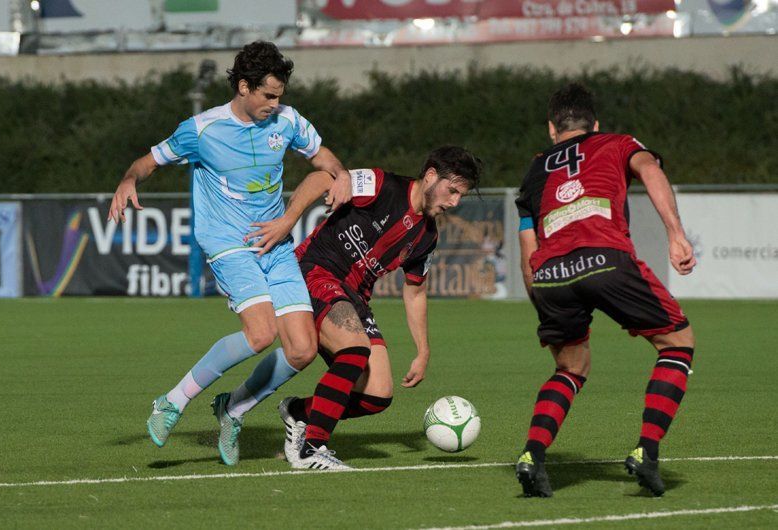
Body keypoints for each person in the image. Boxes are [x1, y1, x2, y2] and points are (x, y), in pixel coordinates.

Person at [107, 41, 352, 466]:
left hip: (275, 243)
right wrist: (129, 181)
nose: (276, 105)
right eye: (268, 96)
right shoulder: (201, 130)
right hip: (227, 242)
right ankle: (172, 401)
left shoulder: (288, 120)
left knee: (301, 350)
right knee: (260, 334)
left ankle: (233, 409)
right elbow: (148, 162)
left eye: (280, 96)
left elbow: (322, 157)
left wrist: (341, 172)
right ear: (243, 87)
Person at [217, 146, 483, 470]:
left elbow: (415, 291)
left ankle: (299, 414)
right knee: (355, 350)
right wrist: (288, 221)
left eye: (461, 196)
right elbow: (321, 178)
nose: (454, 202)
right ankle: (311, 448)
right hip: (315, 270)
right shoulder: (382, 185)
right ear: (430, 176)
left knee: (377, 395)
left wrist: (423, 350)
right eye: (452, 190)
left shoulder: (427, 236)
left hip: (355, 297)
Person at [513, 83, 696, 497]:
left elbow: (528, 249)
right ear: (594, 124)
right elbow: (651, 169)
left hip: (550, 275)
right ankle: (646, 451)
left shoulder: (535, 169)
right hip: (605, 259)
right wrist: (676, 234)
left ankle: (532, 455)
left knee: (570, 368)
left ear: (551, 128)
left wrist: (541, 301)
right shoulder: (617, 142)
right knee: (678, 343)